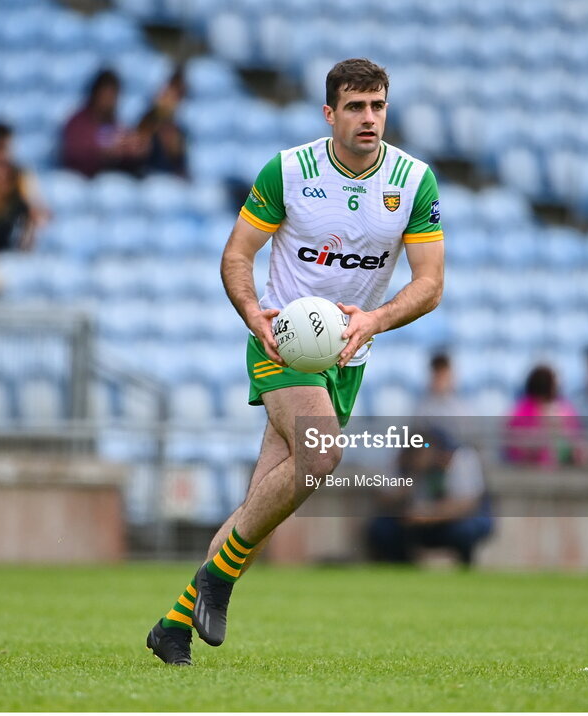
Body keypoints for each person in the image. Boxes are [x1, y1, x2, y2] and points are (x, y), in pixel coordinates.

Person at [146, 58, 445, 666]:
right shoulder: (289, 170)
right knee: (322, 453)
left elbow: (431, 282)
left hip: (349, 352)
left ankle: (175, 623)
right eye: (356, 107)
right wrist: (255, 314)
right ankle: (220, 582)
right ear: (329, 113)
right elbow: (237, 254)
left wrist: (374, 319)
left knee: (265, 498)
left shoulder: (414, 181)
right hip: (284, 339)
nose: (369, 118)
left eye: (378, 106)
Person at [367, 429, 493, 567]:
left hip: (450, 523)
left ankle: (465, 564)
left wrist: (429, 516)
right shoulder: (401, 460)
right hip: (412, 523)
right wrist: (409, 480)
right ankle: (403, 567)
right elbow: (384, 497)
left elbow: (466, 504)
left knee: (465, 530)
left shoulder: (458, 458)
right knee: (383, 528)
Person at [60, 68, 148, 177]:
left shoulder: (117, 125)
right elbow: (73, 155)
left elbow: (125, 157)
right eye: (106, 95)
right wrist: (102, 154)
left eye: (113, 96)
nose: (110, 101)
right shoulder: (77, 123)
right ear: (95, 94)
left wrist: (135, 152)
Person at [506, 364, 588, 467]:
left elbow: (575, 440)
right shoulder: (522, 411)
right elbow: (517, 449)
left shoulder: (564, 408)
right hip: (531, 471)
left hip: (562, 468)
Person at [136, 70, 188, 176]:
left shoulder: (178, 129)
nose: (169, 99)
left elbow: (177, 159)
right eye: (166, 94)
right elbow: (140, 150)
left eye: (176, 96)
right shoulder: (147, 121)